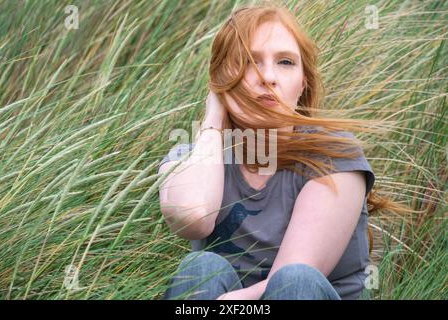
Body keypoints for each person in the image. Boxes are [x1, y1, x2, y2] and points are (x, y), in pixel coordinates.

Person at [157, 4, 409, 300]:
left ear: (303, 83)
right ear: (223, 77)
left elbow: (292, 277)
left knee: (295, 279)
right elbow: (195, 219)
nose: (268, 77)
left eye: (286, 62)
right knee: (200, 268)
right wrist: (213, 121)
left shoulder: (334, 154)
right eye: (249, 61)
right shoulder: (189, 158)